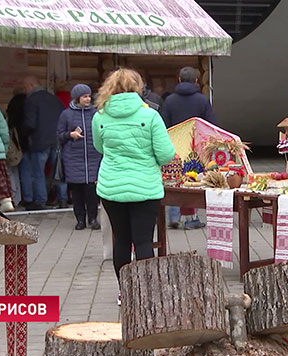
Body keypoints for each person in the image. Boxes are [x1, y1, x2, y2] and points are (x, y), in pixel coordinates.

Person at [92, 68, 176, 297]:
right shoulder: (149, 115)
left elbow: (100, 148)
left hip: (112, 187)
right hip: (145, 187)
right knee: (143, 241)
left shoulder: (99, 116)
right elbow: (166, 154)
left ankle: (125, 292)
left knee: (121, 241)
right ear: (137, 87)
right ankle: (146, 293)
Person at [160, 66, 216, 229]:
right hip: (195, 147)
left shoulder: (169, 100)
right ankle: (191, 218)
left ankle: (174, 216)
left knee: (175, 178)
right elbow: (210, 124)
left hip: (174, 146)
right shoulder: (202, 100)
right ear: (196, 81)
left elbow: (163, 124)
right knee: (193, 179)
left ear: (179, 79)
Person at [57, 84, 102, 230]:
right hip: (73, 158)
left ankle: (93, 219)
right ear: (77, 98)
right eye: (85, 96)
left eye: (89, 96)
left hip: (93, 157)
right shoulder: (66, 114)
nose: (88, 99)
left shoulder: (96, 113)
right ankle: (80, 220)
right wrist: (70, 135)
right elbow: (59, 135)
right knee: (77, 192)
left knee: (92, 192)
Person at [22, 75, 65, 210]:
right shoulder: (54, 98)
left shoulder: (31, 100)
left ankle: (40, 201)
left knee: (38, 172)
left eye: (25, 87)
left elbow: (30, 123)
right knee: (58, 171)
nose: (25, 90)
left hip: (39, 141)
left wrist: (23, 134)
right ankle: (63, 199)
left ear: (31, 85)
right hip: (57, 139)